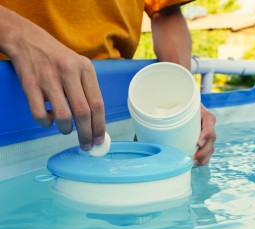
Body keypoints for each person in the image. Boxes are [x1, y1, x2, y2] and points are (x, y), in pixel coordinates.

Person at [0, 0, 216, 166]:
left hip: (113, 107)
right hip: (12, 93)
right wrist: (17, 35)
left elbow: (165, 10)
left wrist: (184, 101)